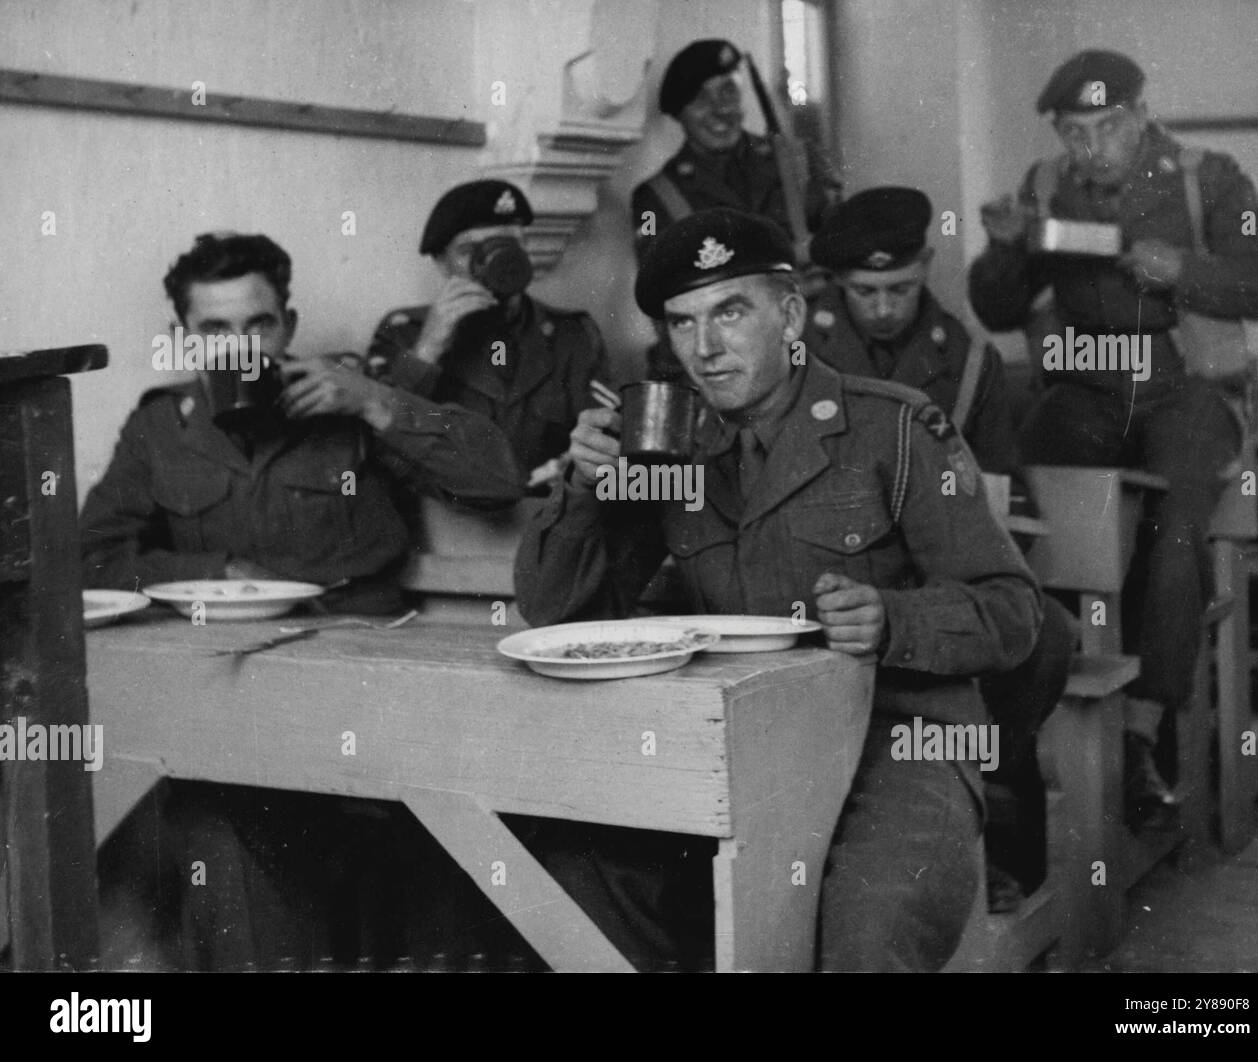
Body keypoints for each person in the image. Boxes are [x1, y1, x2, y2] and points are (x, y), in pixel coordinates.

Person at [513, 208, 1044, 971]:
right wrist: (585, 485)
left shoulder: (892, 429)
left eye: (731, 312)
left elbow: (1014, 610)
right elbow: (554, 609)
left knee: (867, 931)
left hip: (899, 739)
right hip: (726, 742)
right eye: (682, 322)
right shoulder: (670, 444)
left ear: (791, 314)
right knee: (579, 881)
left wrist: (893, 619)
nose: (704, 348)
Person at [82, 232, 526, 970]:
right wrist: (219, 565)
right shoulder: (163, 427)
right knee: (209, 826)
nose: (241, 348)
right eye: (215, 330)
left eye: (258, 324)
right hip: (236, 712)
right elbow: (90, 555)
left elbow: (497, 482)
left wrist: (378, 400)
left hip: (373, 697)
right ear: (181, 340)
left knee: (442, 840)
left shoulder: (344, 402)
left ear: (287, 325)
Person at [968, 50, 1258, 826]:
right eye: (1074, 132)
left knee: (1177, 523)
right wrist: (1007, 247)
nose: (1092, 149)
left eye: (1108, 127)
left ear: (1142, 115)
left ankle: (1143, 738)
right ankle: (1028, 718)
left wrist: (1187, 268)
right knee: (1018, 505)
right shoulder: (1046, 185)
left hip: (1185, 389)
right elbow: (995, 306)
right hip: (1084, 389)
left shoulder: (1206, 178)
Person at [806, 186, 1078, 908]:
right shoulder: (797, 346)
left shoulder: (966, 361)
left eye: (901, 286)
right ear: (836, 285)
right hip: (822, 576)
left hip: (931, 581)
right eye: (865, 291)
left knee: (1043, 639)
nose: (886, 306)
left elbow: (1004, 492)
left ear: (927, 264)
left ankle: (972, 822)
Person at [365, 180, 609, 480]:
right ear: (442, 264)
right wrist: (427, 349)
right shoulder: (404, 332)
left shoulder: (571, 335)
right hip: (450, 515)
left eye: (506, 247)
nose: (492, 262)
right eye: (470, 250)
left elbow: (604, 436)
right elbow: (376, 436)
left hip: (546, 509)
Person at [632, 38, 841, 382]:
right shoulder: (655, 200)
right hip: (729, 366)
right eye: (701, 99)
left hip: (815, 354)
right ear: (679, 113)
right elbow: (664, 308)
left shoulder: (801, 163)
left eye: (728, 92)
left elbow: (849, 259)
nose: (720, 110)